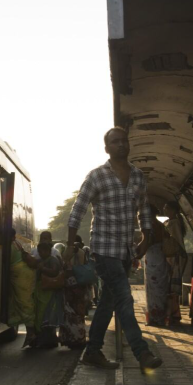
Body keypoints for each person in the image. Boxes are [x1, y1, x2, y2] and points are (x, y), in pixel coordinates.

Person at [66, 127, 164, 371]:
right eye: (115, 142)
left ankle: (93, 351)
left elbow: (144, 210)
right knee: (124, 298)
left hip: (125, 251)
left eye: (124, 141)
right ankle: (142, 354)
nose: (121, 145)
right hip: (103, 249)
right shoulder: (97, 176)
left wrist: (146, 238)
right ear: (106, 148)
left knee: (108, 303)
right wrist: (70, 244)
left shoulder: (139, 177)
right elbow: (78, 210)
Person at [163, 200, 193, 313]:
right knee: (172, 284)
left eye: (167, 207)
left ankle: (172, 311)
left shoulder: (173, 223)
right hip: (173, 255)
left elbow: (176, 239)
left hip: (173, 255)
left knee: (171, 284)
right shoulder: (171, 222)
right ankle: (172, 311)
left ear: (173, 210)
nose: (164, 209)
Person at [142, 216, 171, 327]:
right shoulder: (161, 226)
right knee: (160, 288)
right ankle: (161, 316)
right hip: (159, 258)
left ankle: (155, 317)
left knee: (152, 288)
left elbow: (148, 242)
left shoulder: (151, 227)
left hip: (152, 258)